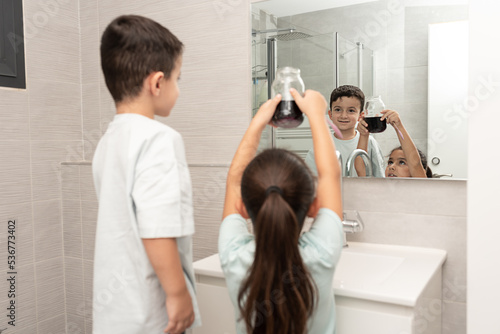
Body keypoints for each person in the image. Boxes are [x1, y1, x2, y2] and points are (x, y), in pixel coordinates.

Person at [92, 15, 201, 334]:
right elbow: (156, 228)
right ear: (156, 83)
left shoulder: (108, 140)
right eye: (177, 78)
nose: (178, 90)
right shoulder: (159, 139)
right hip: (153, 312)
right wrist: (178, 294)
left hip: (115, 311)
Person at [218, 89, 344, 334]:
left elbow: (234, 180)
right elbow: (331, 174)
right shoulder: (323, 252)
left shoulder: (232, 254)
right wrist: (316, 115)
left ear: (242, 207)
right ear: (313, 207)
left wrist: (259, 121)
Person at [304, 85, 385, 177]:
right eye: (338, 110)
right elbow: (311, 182)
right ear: (330, 114)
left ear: (360, 116)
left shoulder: (370, 142)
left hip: (364, 191)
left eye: (351, 110)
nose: (343, 115)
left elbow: (380, 176)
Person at [356, 109, 431, 178]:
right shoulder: (381, 188)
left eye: (402, 162)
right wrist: (364, 134)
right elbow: (360, 170)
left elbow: (415, 164)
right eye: (390, 162)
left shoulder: (420, 188)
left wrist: (398, 126)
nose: (391, 167)